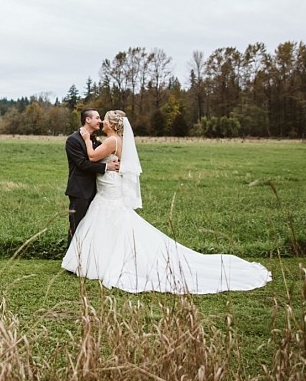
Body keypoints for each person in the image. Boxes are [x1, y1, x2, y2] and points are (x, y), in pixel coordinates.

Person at [62, 110, 271, 294]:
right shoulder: (113, 140)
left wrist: (88, 140)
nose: (101, 122)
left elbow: (90, 157)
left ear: (112, 124)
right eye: (99, 118)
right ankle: (96, 261)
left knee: (112, 223)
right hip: (108, 188)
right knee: (107, 225)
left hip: (110, 191)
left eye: (104, 119)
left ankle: (100, 263)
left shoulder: (111, 141)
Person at [65, 109, 120, 246]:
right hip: (80, 190)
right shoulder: (73, 140)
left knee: (91, 227)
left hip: (98, 191)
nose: (100, 121)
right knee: (77, 226)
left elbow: (99, 156)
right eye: (97, 117)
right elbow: (82, 164)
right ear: (87, 120)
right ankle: (71, 260)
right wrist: (107, 167)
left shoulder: (96, 140)